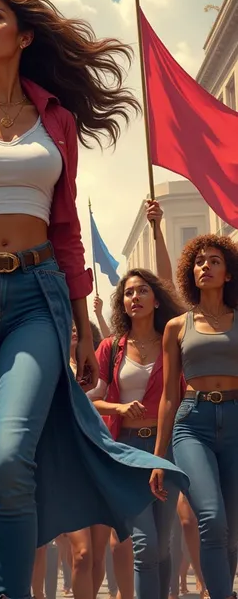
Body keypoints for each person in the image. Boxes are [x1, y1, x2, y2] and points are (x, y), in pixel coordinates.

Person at [0, 0, 187, 599]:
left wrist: (84, 325)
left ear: (24, 36)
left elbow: (65, 231)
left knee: (8, 460)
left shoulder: (54, 117)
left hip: (38, 295)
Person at [90, 201, 185, 599]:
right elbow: (88, 399)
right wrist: (115, 407)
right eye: (128, 292)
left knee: (162, 547)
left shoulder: (173, 340)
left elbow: (172, 282)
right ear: (122, 303)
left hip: (167, 450)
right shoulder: (111, 348)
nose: (135, 297)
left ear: (155, 299)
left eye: (143, 290)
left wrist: (158, 230)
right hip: (125, 452)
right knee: (145, 547)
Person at [151, 234, 238, 599]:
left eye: (215, 260)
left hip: (236, 421)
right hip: (192, 424)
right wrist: (156, 457)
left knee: (232, 530)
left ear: (228, 273)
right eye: (200, 261)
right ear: (192, 273)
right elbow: (169, 395)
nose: (206, 265)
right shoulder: (176, 327)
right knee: (212, 519)